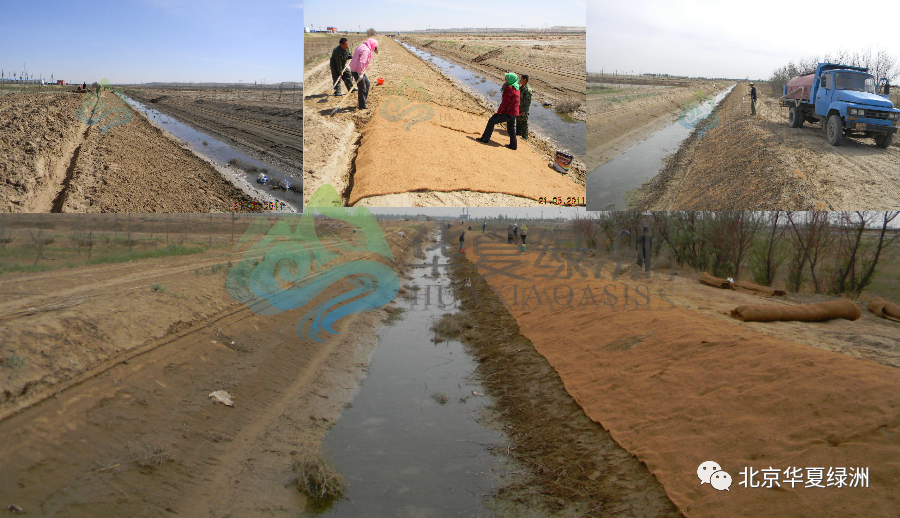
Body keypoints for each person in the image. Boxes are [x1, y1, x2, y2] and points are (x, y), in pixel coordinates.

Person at [476, 73, 520, 150]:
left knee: (492, 120)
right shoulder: (517, 88)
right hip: (514, 113)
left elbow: (505, 102)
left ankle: (485, 139)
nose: (505, 79)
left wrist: (499, 111)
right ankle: (513, 145)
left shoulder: (509, 88)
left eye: (506, 78)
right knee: (511, 128)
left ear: (510, 79)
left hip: (509, 112)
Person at [349, 38, 379, 110]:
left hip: (358, 69)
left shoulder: (362, 46)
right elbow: (361, 62)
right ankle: (362, 105)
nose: (375, 48)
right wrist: (360, 74)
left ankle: (363, 100)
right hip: (357, 70)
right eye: (375, 47)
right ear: (372, 45)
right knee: (362, 87)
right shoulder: (366, 50)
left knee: (367, 84)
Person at [516, 74, 532, 140]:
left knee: (524, 122)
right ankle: (517, 133)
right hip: (519, 107)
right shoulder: (521, 87)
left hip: (523, 109)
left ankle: (525, 136)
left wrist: (524, 111)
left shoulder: (528, 90)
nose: (520, 80)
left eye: (521, 79)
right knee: (518, 120)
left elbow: (527, 102)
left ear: (525, 80)